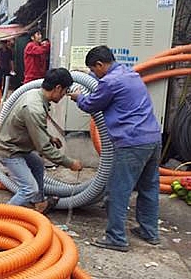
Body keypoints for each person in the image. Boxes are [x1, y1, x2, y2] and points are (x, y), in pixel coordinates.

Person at [69, 45, 161, 252]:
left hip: (132, 142)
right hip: (153, 138)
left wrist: (78, 98)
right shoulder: (130, 73)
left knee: (118, 191)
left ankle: (116, 238)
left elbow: (91, 105)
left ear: (101, 65)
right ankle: (149, 231)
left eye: (94, 69)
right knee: (149, 187)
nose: (94, 74)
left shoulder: (110, 82)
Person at [0, 68, 83, 214]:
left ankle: (39, 203)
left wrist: (49, 137)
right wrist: (70, 163)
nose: (64, 96)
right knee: (29, 189)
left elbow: (34, 128)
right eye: (64, 91)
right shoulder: (34, 108)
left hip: (17, 145)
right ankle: (2, 218)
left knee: (37, 164)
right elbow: (44, 149)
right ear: (57, 88)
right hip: (8, 150)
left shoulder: (34, 94)